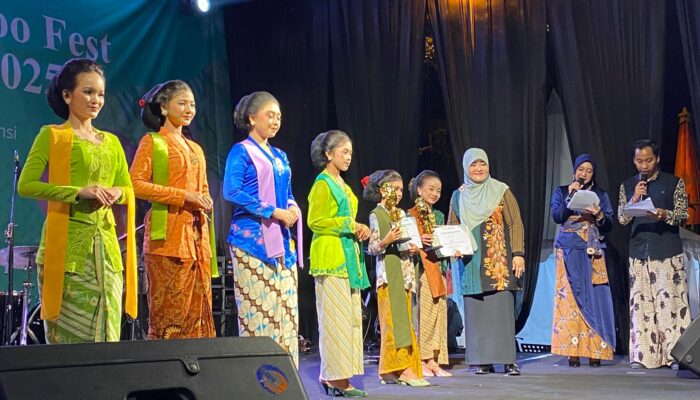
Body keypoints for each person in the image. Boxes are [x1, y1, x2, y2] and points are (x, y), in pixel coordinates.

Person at [17, 58, 137, 343]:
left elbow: (129, 189)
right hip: (67, 252)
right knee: (69, 345)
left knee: (108, 336)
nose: (96, 100)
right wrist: (78, 192)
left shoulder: (111, 142)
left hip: (107, 253)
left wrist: (118, 193)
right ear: (67, 95)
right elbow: (26, 185)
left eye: (101, 94)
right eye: (88, 92)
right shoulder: (53, 135)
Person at [129, 80, 216, 339]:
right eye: (182, 103)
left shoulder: (196, 148)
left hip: (197, 240)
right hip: (166, 239)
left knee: (198, 313)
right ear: (164, 108)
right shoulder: (153, 142)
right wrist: (184, 196)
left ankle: (198, 361)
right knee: (169, 315)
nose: (189, 109)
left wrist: (204, 199)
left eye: (192, 104)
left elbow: (203, 188)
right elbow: (135, 184)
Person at [223, 91, 303, 365]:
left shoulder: (280, 155)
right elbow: (231, 191)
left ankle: (286, 374)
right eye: (270, 115)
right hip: (251, 242)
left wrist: (292, 208)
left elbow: (287, 193)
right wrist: (272, 211)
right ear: (251, 118)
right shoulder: (241, 151)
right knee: (259, 311)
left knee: (286, 310)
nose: (275, 121)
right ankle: (258, 376)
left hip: (282, 242)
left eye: (278, 116)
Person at [447, 148, 525, 376]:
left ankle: (508, 360)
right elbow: (453, 226)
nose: (479, 169)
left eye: (482, 164)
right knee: (477, 312)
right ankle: (482, 360)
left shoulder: (501, 191)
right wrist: (453, 248)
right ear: (466, 167)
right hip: (471, 263)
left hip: (499, 260)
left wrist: (518, 254)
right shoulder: (458, 196)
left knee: (501, 311)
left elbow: (515, 223)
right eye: (473, 165)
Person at [308, 130, 370, 397]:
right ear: (328, 153)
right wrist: (350, 225)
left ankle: (338, 375)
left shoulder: (341, 183)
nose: (348, 157)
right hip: (331, 255)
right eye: (344, 152)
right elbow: (315, 221)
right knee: (335, 319)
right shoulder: (323, 183)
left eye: (350, 153)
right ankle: (335, 377)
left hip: (347, 256)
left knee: (349, 320)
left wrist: (359, 229)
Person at [618, 139, 690, 369]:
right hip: (639, 251)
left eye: (648, 160)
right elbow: (622, 218)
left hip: (666, 251)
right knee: (642, 306)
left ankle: (675, 356)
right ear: (634, 161)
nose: (644, 165)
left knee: (670, 307)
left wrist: (663, 214)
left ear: (657, 159)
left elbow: (683, 214)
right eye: (639, 161)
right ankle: (643, 356)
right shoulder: (628, 185)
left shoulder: (673, 183)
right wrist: (634, 199)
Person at [550, 154, 616, 367]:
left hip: (592, 250)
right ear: (574, 171)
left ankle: (595, 350)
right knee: (569, 300)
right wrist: (570, 197)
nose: (584, 174)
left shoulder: (600, 194)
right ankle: (573, 352)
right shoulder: (562, 191)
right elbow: (557, 217)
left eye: (588, 170)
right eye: (581, 169)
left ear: (593, 173)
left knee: (595, 298)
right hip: (568, 249)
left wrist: (598, 214)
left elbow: (609, 224)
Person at [365, 169, 428, 387]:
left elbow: (410, 241)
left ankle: (393, 370)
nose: (399, 193)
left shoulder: (401, 215)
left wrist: (413, 247)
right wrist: (387, 239)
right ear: (383, 190)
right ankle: (400, 369)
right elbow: (372, 248)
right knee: (393, 325)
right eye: (394, 188)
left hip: (406, 275)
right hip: (389, 277)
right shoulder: (377, 214)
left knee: (405, 324)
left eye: (401, 190)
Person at [407, 170, 452, 377]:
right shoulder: (410, 216)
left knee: (439, 314)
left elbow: (444, 242)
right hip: (423, 270)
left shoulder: (439, 215)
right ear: (419, 190)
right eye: (431, 189)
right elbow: (405, 244)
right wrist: (418, 241)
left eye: (438, 191)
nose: (435, 194)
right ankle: (423, 359)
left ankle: (434, 360)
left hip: (438, 269)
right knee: (425, 315)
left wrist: (453, 249)